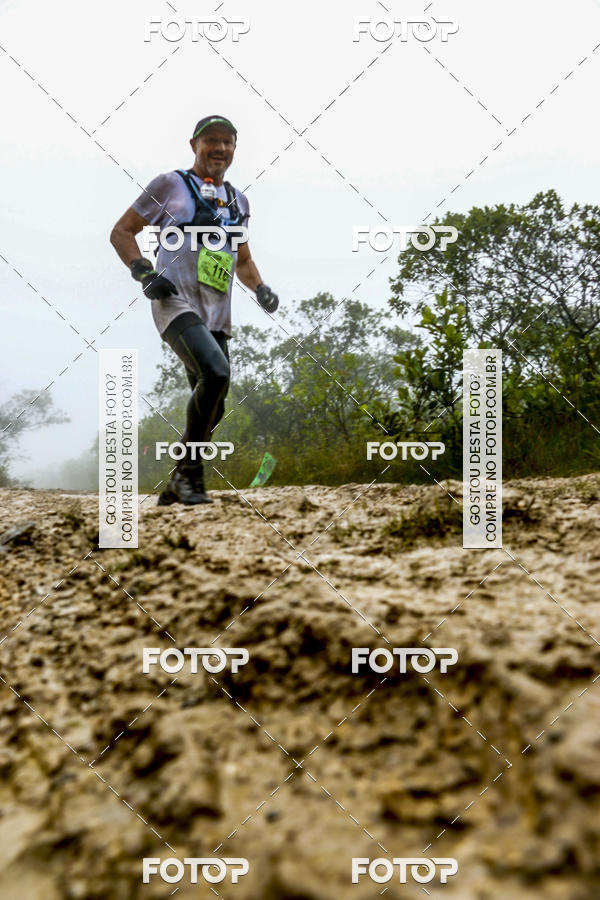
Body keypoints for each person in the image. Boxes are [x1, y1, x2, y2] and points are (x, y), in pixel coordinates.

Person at [110, 115, 278, 506]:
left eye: (227, 142)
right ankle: (190, 477)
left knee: (213, 404)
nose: (219, 148)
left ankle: (176, 482)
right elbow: (121, 231)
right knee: (216, 373)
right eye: (211, 141)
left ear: (235, 148)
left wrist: (262, 288)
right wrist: (143, 272)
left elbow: (243, 260)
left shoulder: (239, 200)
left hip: (217, 312)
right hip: (175, 303)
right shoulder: (170, 184)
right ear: (194, 145)